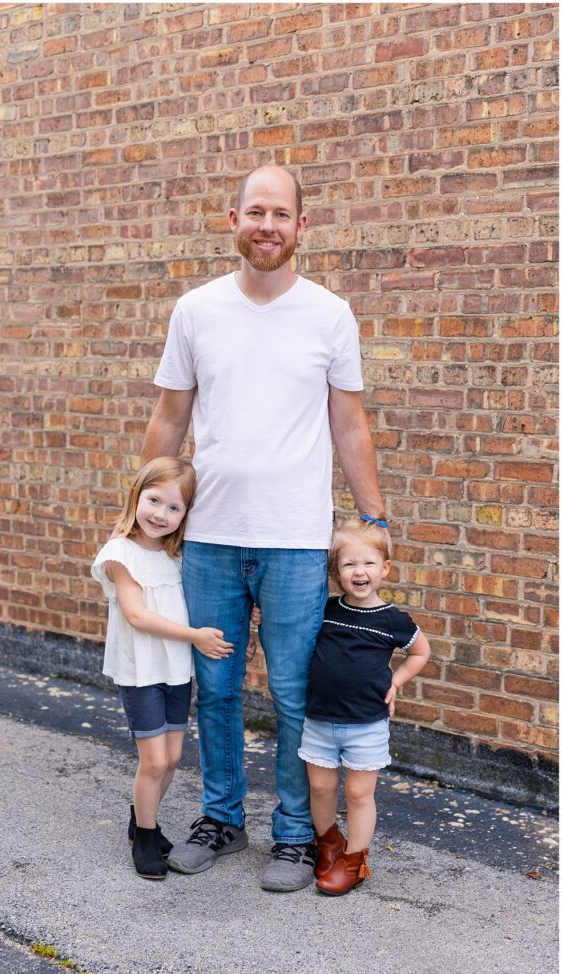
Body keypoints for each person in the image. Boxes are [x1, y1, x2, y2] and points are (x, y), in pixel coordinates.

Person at [140, 163, 388, 892]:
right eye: (256, 212)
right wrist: (144, 518)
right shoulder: (196, 309)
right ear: (233, 219)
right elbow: (169, 416)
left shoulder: (327, 314)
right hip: (210, 538)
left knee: (289, 693)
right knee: (212, 689)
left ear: (300, 226)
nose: (268, 226)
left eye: (281, 214)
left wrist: (371, 517)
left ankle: (290, 835)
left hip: (294, 541)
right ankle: (219, 817)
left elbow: (349, 423)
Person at [90, 457, 233, 880]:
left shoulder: (176, 555)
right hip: (141, 671)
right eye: (154, 500)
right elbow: (136, 615)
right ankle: (147, 835)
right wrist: (196, 636)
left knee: (171, 758)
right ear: (137, 495)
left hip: (174, 670)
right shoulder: (120, 553)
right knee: (153, 761)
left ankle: (143, 816)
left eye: (174, 508)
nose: (161, 514)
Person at [301, 517, 431, 896]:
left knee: (359, 794)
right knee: (320, 786)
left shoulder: (393, 620)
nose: (359, 572)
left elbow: (421, 652)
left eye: (368, 563)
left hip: (366, 723)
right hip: (320, 719)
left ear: (384, 569)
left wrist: (396, 681)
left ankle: (356, 862)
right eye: (349, 564)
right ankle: (329, 845)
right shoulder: (325, 610)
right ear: (337, 571)